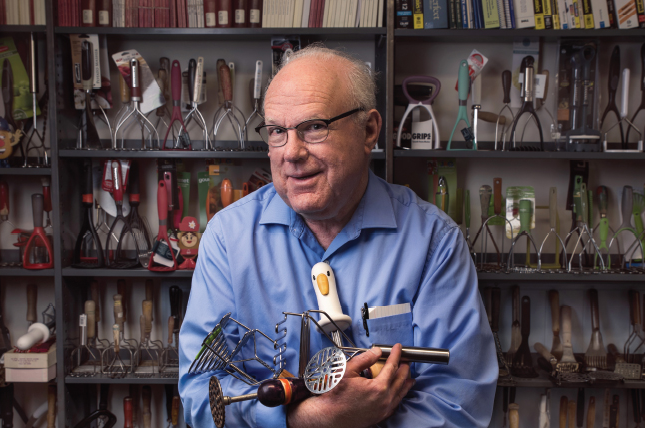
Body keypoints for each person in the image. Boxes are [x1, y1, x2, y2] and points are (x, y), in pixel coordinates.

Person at [178, 44, 498, 428]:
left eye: (314, 126)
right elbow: (201, 396)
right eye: (278, 131)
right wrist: (304, 421)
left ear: (369, 130)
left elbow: (458, 402)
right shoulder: (228, 239)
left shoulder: (434, 241)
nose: (291, 152)